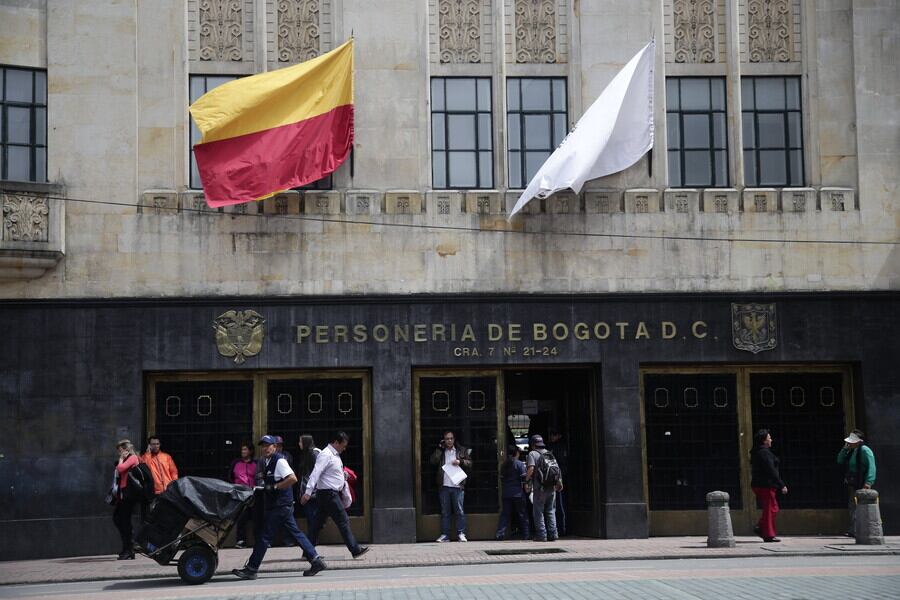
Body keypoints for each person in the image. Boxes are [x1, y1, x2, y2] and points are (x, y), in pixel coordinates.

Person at [232, 435, 326, 580]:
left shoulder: (279, 461)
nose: (265, 448)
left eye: (268, 445)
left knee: (264, 537)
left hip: (280, 506)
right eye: (263, 446)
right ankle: (316, 560)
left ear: (275, 447)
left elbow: (292, 478)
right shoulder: (267, 461)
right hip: (279, 506)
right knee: (296, 534)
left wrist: (275, 487)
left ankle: (251, 568)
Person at [301, 431, 369, 558]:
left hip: (327, 494)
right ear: (336, 442)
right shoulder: (326, 454)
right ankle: (355, 549)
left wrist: (343, 476)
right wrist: (308, 492)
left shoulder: (334, 455)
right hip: (328, 494)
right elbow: (316, 473)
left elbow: (330, 473)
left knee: (317, 524)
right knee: (343, 520)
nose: (344, 448)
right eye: (343, 445)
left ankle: (307, 552)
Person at [430, 430, 472, 542]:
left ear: (454, 439)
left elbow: (470, 463)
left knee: (459, 511)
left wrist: (460, 462)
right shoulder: (441, 451)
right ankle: (445, 535)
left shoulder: (461, 450)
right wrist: (439, 449)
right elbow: (433, 461)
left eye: (451, 438)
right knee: (445, 512)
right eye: (447, 439)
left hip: (458, 485)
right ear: (444, 440)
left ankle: (461, 533)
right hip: (444, 485)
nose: (449, 441)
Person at [750, 429, 788, 543]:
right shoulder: (764, 453)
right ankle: (768, 534)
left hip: (762, 485)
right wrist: (781, 484)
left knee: (772, 508)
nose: (771, 440)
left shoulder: (759, 452)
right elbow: (771, 470)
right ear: (764, 441)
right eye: (769, 438)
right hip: (765, 485)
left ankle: (760, 527)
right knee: (770, 509)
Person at [837, 429, 877, 537]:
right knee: (853, 506)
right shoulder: (851, 451)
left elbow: (871, 466)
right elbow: (840, 460)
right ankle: (854, 529)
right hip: (853, 483)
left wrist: (869, 482)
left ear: (859, 441)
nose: (850, 443)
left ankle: (857, 530)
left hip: (862, 483)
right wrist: (845, 449)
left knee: (859, 507)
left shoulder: (865, 450)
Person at [526, 434, 563, 542]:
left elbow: (531, 469)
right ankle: (553, 534)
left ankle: (541, 535)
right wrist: (559, 483)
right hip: (551, 487)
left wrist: (526, 481)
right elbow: (557, 470)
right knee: (550, 511)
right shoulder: (549, 453)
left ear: (533, 444)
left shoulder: (532, 454)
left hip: (540, 488)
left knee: (538, 512)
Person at [112, 439, 140, 560]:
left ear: (126, 449)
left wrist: (121, 459)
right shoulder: (126, 459)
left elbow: (120, 469)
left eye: (120, 450)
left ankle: (129, 549)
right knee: (118, 519)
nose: (119, 453)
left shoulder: (133, 458)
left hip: (129, 495)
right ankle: (128, 547)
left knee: (124, 521)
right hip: (122, 494)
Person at [495, 446, 530, 540]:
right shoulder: (519, 464)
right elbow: (524, 477)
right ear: (517, 453)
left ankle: (500, 534)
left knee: (505, 514)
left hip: (506, 493)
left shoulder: (504, 465)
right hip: (518, 493)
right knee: (522, 514)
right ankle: (526, 534)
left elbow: (502, 479)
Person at [229, 442, 257, 548]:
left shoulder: (255, 463)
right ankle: (240, 540)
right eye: (242, 450)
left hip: (253, 493)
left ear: (250, 451)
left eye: (245, 449)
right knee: (241, 517)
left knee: (256, 517)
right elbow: (231, 476)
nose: (243, 452)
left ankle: (258, 539)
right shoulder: (236, 463)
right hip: (240, 494)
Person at [546, 429, 568, 537]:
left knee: (558, 505)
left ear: (559, 435)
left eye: (554, 435)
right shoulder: (556, 447)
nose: (551, 437)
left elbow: (558, 465)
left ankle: (561, 529)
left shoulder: (557, 447)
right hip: (558, 479)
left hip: (557, 479)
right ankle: (561, 528)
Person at [296, 434, 321, 528]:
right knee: (310, 517)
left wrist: (310, 492)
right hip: (307, 491)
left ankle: (313, 536)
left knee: (313, 518)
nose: (299, 444)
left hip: (312, 492)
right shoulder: (306, 454)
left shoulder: (314, 453)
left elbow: (317, 473)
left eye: (300, 441)